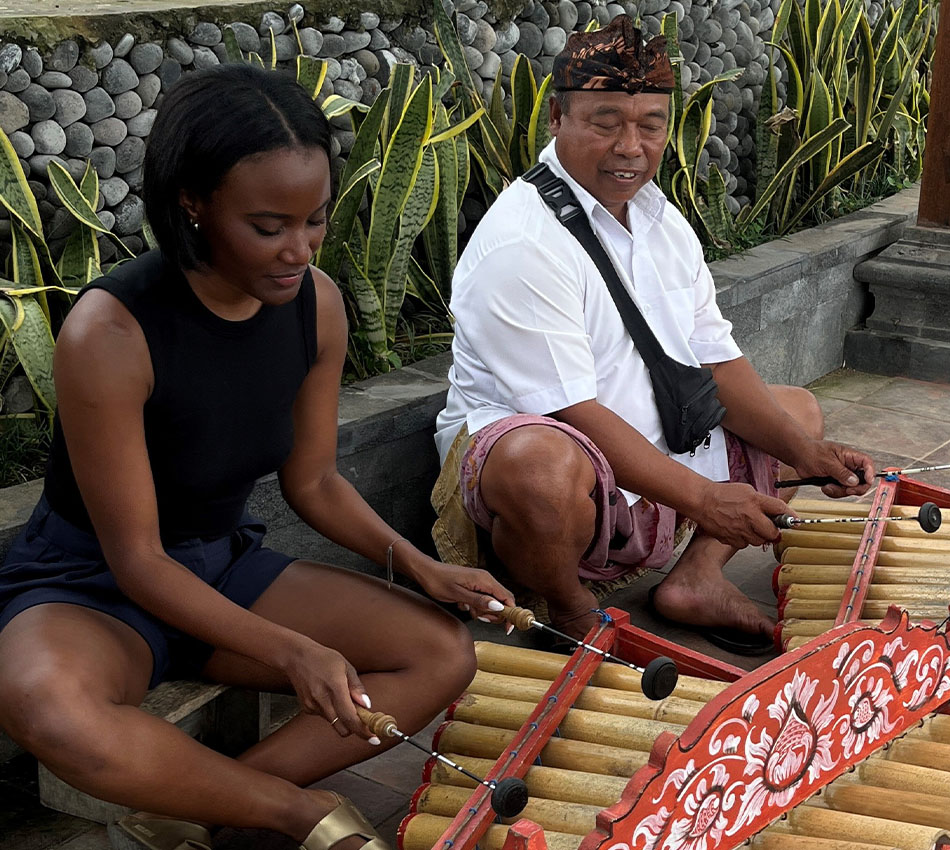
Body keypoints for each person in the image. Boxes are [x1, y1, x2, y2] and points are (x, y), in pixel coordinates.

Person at [0, 64, 513, 850]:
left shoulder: (318, 305)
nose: (298, 250)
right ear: (193, 204)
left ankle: (196, 810)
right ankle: (295, 812)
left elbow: (311, 481)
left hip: (217, 565)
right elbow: (136, 558)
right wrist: (292, 649)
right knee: (44, 705)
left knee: (439, 653)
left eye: (315, 221)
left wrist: (421, 566)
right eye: (268, 226)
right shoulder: (110, 332)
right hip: (92, 583)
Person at [431, 16, 874, 655]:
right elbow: (571, 409)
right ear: (555, 117)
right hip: (549, 451)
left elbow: (716, 358)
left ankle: (693, 581)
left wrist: (807, 456)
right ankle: (570, 609)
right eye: (606, 122)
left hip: (645, 431)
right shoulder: (523, 243)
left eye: (650, 125)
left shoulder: (660, 220)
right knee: (542, 470)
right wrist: (702, 497)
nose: (630, 146)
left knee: (796, 414)